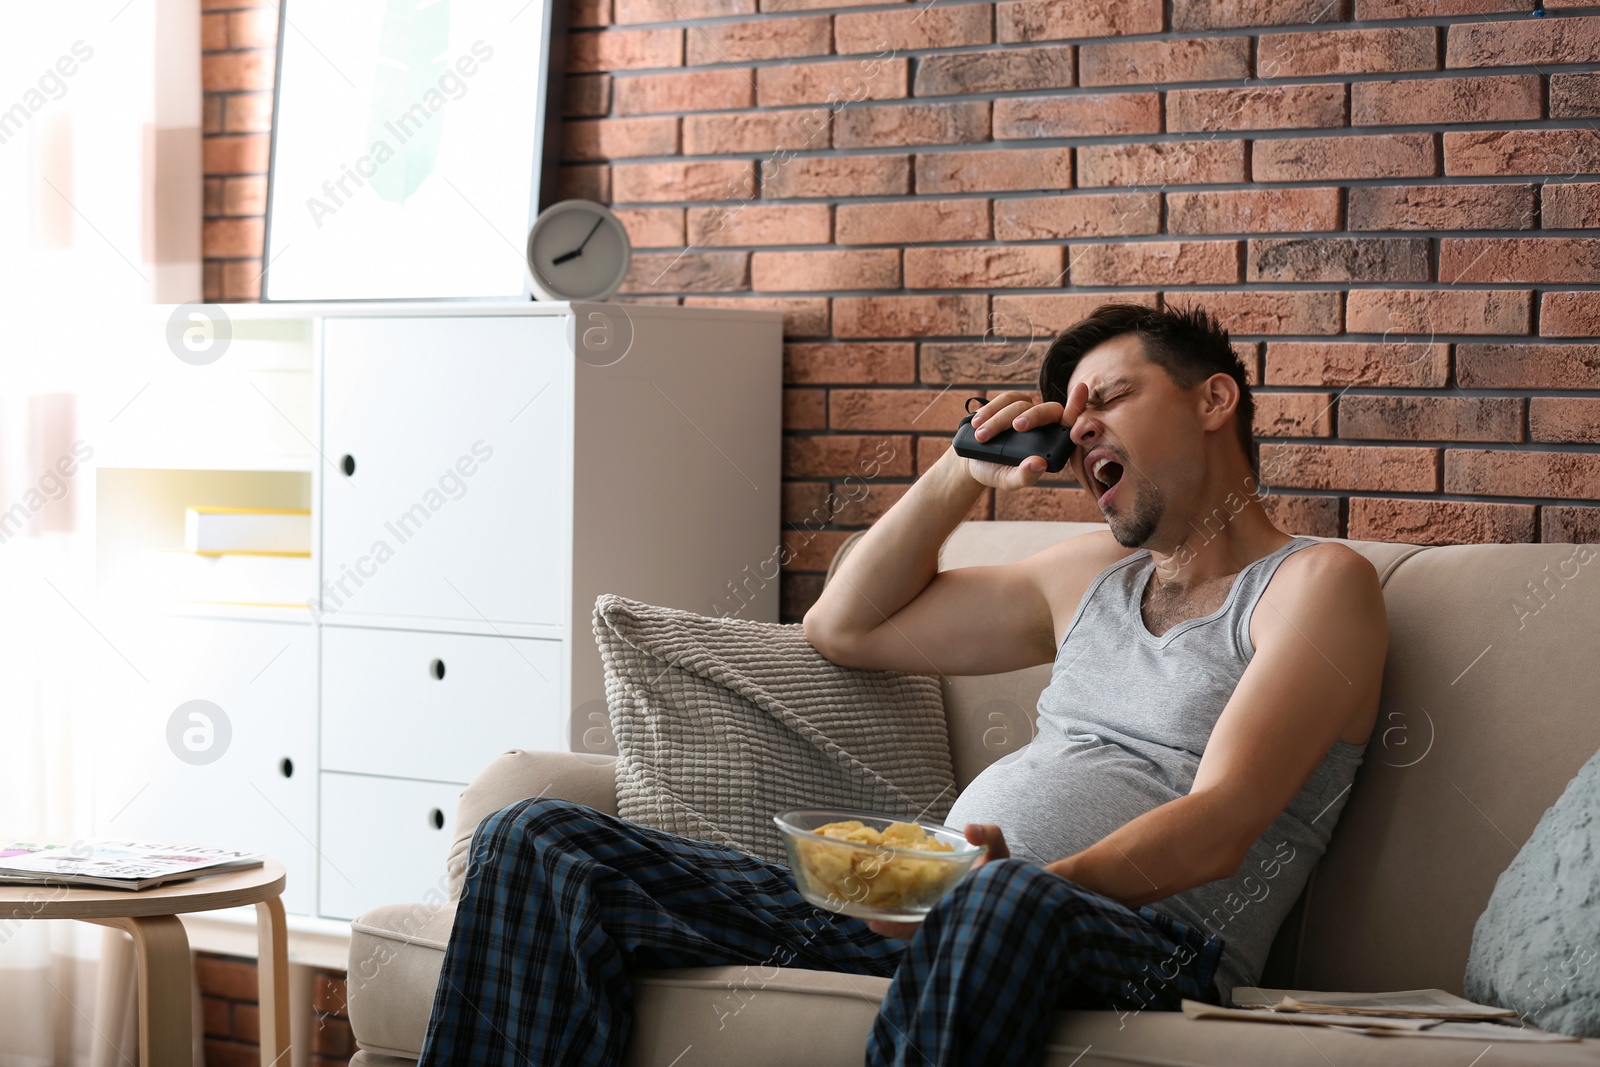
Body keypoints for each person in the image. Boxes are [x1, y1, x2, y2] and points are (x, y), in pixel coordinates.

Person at [416, 303, 1388, 1067]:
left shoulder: (1314, 584)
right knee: (535, 839)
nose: (1078, 423)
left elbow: (1222, 823)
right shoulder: (1086, 573)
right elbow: (846, 627)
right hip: (951, 913)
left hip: (1149, 950)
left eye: (1110, 396)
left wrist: (1004, 883)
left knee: (994, 906)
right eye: (1071, 414)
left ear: (1214, 401)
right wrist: (960, 472)